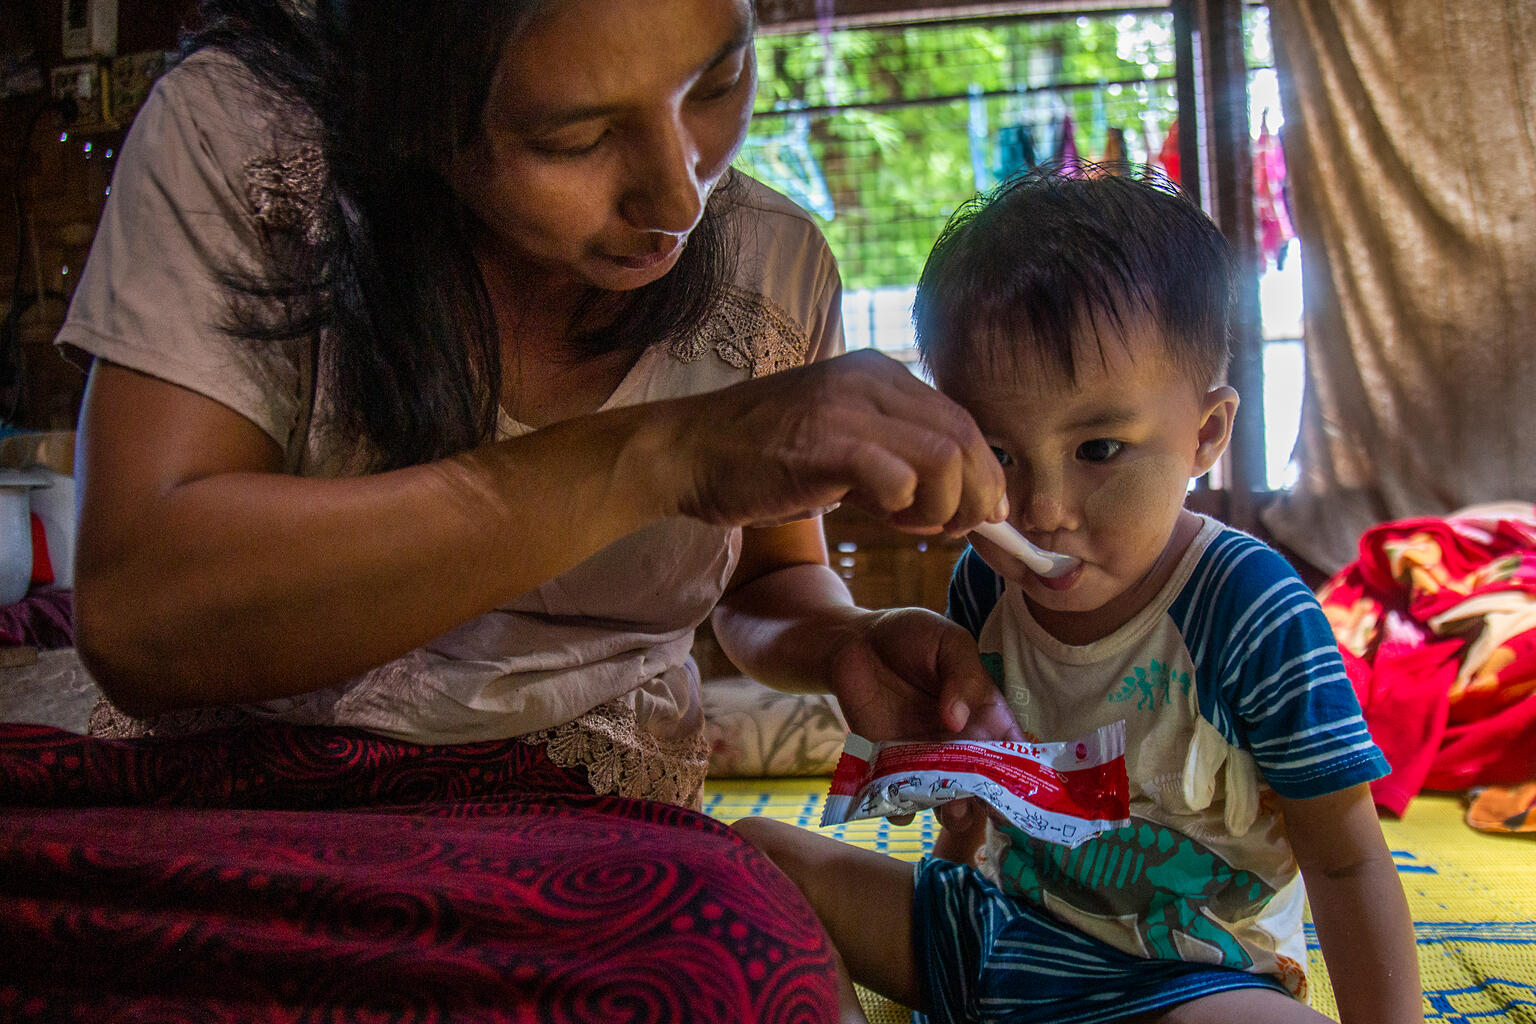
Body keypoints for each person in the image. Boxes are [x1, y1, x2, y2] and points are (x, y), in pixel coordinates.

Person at [0, 1, 1023, 1019]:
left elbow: (764, 578)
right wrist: (662, 454)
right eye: (575, 136)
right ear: (412, 98)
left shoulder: (773, 265)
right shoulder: (246, 143)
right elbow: (143, 613)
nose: (678, 193)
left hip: (588, 822)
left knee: (737, 975)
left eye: (716, 81)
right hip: (234, 784)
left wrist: (844, 635)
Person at [733, 168, 1424, 1024]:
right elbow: (981, 788)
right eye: (998, 451)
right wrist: (952, 834)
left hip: (1190, 979)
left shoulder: (1248, 608)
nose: (1041, 511)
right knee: (746, 860)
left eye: (1099, 448)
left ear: (1205, 434)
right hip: (997, 941)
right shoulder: (984, 580)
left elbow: (1348, 860)